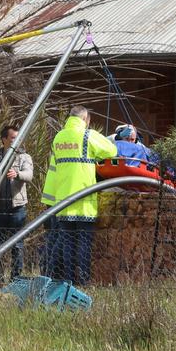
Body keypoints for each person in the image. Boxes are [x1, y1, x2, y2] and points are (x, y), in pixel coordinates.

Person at [45, 106, 117, 285]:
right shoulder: (88, 135)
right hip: (84, 201)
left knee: (68, 244)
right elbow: (111, 151)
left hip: (63, 201)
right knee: (83, 243)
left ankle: (68, 281)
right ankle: (83, 282)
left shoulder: (59, 137)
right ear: (87, 119)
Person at [0, 125, 33, 285]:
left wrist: (18, 174)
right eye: (13, 138)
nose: (16, 141)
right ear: (4, 140)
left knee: (17, 246)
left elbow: (29, 175)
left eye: (18, 138)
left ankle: (15, 280)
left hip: (17, 210)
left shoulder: (24, 157)